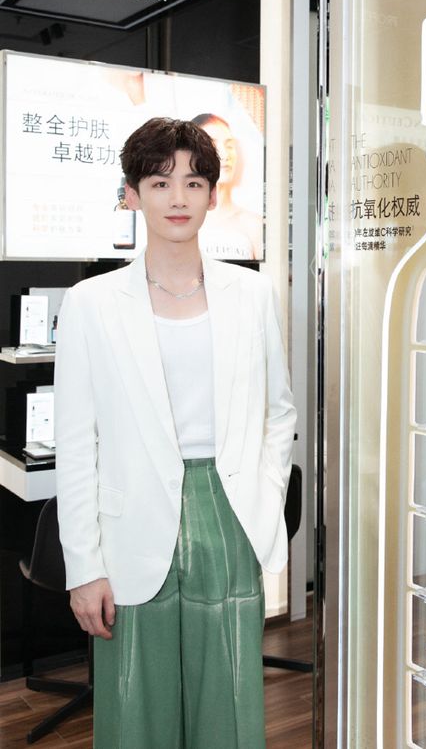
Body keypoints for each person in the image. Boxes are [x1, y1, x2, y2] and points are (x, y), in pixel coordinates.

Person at [54, 117, 296, 749]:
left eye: (194, 181)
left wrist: (265, 495)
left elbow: (280, 411)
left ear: (214, 195)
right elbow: (77, 445)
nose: (179, 198)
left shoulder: (252, 294)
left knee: (230, 702)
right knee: (138, 705)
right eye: (160, 183)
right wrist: (84, 566)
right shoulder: (90, 304)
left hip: (227, 510)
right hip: (131, 521)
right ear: (132, 195)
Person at [191, 112, 264, 260]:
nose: (225, 154)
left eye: (229, 145)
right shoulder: (177, 221)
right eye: (212, 144)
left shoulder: (253, 224)